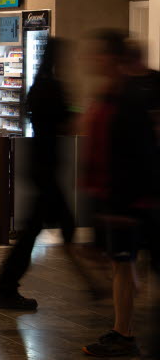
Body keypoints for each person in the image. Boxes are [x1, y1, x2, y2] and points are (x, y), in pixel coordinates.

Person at [0, 37, 95, 310]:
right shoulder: (55, 87)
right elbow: (68, 123)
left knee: (49, 229)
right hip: (47, 168)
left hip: (39, 165)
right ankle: (5, 288)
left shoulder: (39, 85)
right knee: (36, 233)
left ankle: (93, 283)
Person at [82, 33, 160, 358]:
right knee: (122, 268)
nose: (91, 61)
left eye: (98, 55)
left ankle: (125, 334)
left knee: (125, 267)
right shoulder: (113, 95)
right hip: (120, 199)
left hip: (128, 201)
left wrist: (122, 202)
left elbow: (138, 153)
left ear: (115, 59)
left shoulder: (127, 99)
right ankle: (123, 331)